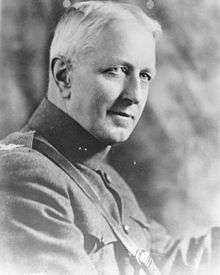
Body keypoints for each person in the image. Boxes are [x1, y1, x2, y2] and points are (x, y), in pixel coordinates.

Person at [0, 1, 219, 275]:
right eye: (116, 71)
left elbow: (169, 261)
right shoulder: (24, 176)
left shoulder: (107, 178)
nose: (135, 95)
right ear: (64, 76)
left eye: (145, 75)